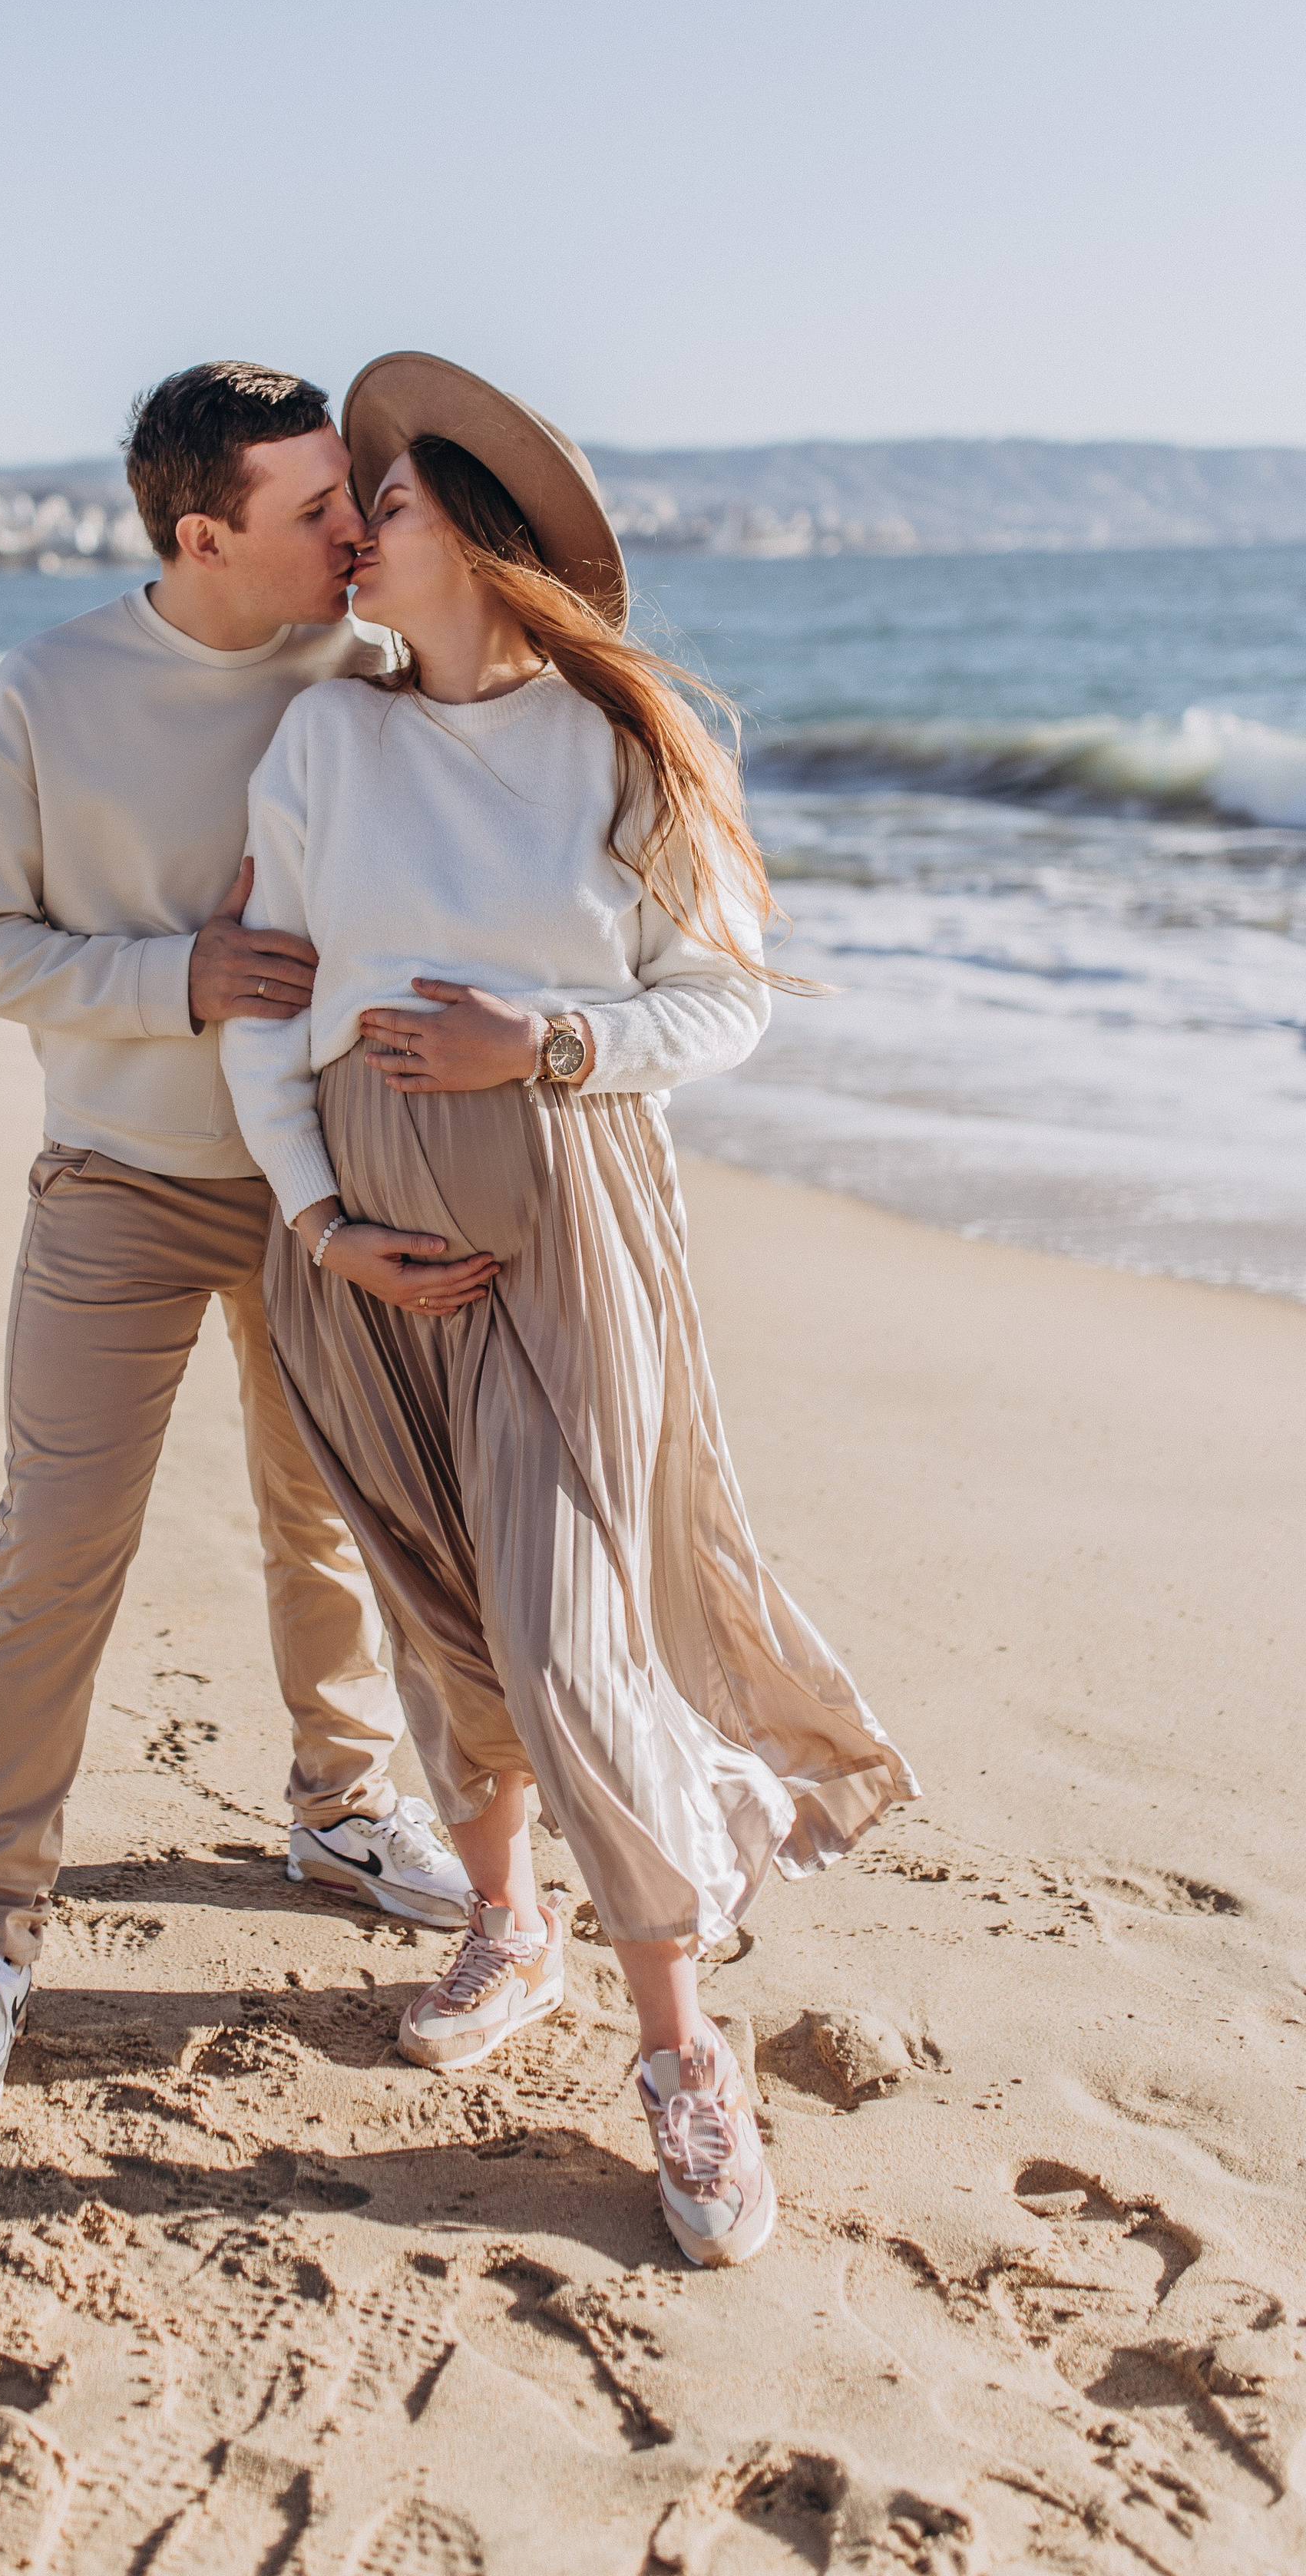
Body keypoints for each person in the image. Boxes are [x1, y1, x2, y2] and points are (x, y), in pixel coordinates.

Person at [221, 352, 918, 2267]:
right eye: (353, 502)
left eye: (396, 506)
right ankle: (502, 1917)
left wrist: (545, 1046)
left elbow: (723, 1002)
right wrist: (315, 1216)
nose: (356, 529)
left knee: (561, 1621)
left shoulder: (623, 746)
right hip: (351, 1226)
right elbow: (265, 1010)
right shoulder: (318, 746)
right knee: (442, 1599)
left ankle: (682, 2052)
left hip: (562, 1210)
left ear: (489, 547)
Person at [0, 361, 472, 2129]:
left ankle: (338, 1809)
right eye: (318, 512)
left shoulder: (374, 673)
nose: (354, 536)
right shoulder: (48, 692)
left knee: (335, 1525)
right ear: (203, 532)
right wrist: (177, 980)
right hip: (119, 1186)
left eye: (356, 501)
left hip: (337, 1191)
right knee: (54, 1548)